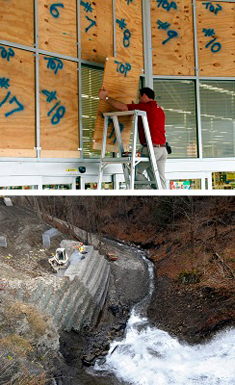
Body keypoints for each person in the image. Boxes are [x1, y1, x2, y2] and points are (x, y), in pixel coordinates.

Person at [98, 86, 167, 189]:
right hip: (162, 150)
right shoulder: (159, 110)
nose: (139, 101)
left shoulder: (146, 108)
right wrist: (136, 106)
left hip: (151, 149)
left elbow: (123, 108)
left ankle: (148, 192)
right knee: (159, 180)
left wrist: (106, 98)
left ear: (144, 96)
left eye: (140, 98)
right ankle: (161, 197)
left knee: (132, 169)